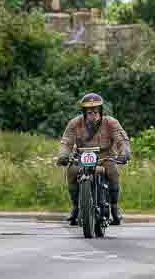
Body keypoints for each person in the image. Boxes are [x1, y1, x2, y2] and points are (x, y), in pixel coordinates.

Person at [56, 93, 131, 225]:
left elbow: (122, 139)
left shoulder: (110, 122)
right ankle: (75, 207)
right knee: (72, 171)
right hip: (82, 157)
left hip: (105, 157)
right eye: (90, 112)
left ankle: (114, 208)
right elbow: (66, 142)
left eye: (96, 111)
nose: (93, 115)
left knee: (113, 172)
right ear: (84, 112)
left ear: (101, 111)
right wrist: (63, 156)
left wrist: (124, 153)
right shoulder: (75, 123)